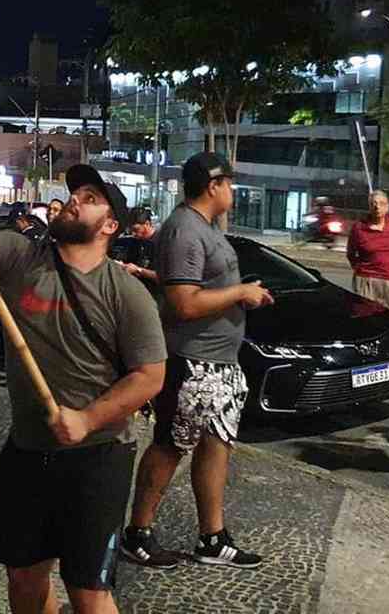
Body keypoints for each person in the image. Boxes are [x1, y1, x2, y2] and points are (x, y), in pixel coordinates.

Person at [0, 140, 166, 614]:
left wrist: (88, 419)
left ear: (110, 226)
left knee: (89, 591)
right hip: (27, 451)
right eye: (75, 193)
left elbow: (150, 377)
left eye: (91, 198)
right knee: (24, 575)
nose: (74, 200)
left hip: (98, 457)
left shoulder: (126, 292)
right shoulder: (23, 258)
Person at [123, 152, 273, 571]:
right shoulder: (185, 230)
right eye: (229, 183)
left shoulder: (202, 228)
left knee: (216, 444)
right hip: (192, 361)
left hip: (221, 361)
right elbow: (184, 302)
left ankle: (213, 537)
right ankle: (138, 534)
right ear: (214, 186)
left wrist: (243, 291)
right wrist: (240, 294)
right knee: (170, 446)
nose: (233, 190)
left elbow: (185, 285)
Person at [346, 190, 389, 314]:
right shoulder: (359, 227)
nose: (377, 207)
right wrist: (360, 270)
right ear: (369, 207)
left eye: (381, 203)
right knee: (367, 321)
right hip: (366, 281)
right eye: (373, 203)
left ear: (387, 207)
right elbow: (350, 253)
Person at [118, 206, 159, 287]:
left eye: (136, 230)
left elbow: (163, 277)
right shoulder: (135, 242)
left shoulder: (161, 243)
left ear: (147, 224)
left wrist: (139, 270)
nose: (133, 234)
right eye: (130, 230)